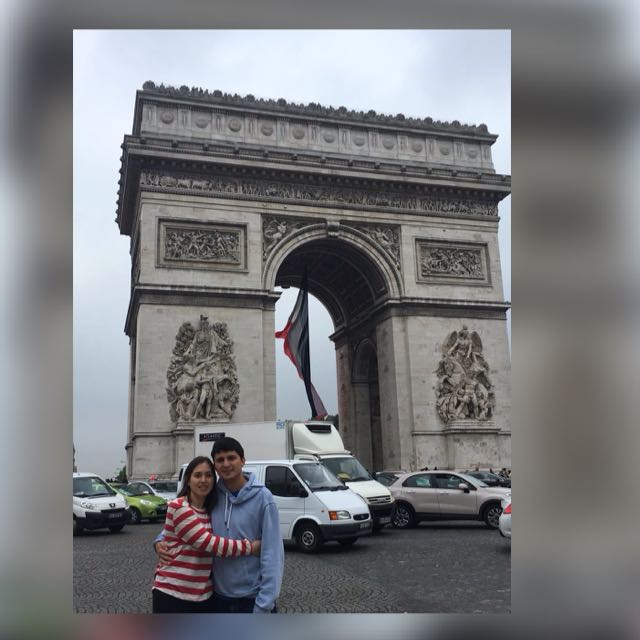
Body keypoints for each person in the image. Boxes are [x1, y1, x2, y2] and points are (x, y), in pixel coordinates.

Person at [155, 437, 284, 613]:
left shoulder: (264, 498)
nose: (226, 464)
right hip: (217, 597)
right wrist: (159, 541)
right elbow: (184, 526)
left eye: (231, 458)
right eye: (220, 460)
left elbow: (273, 554)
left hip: (251, 598)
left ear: (243, 460)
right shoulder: (211, 496)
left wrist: (264, 604)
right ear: (215, 466)